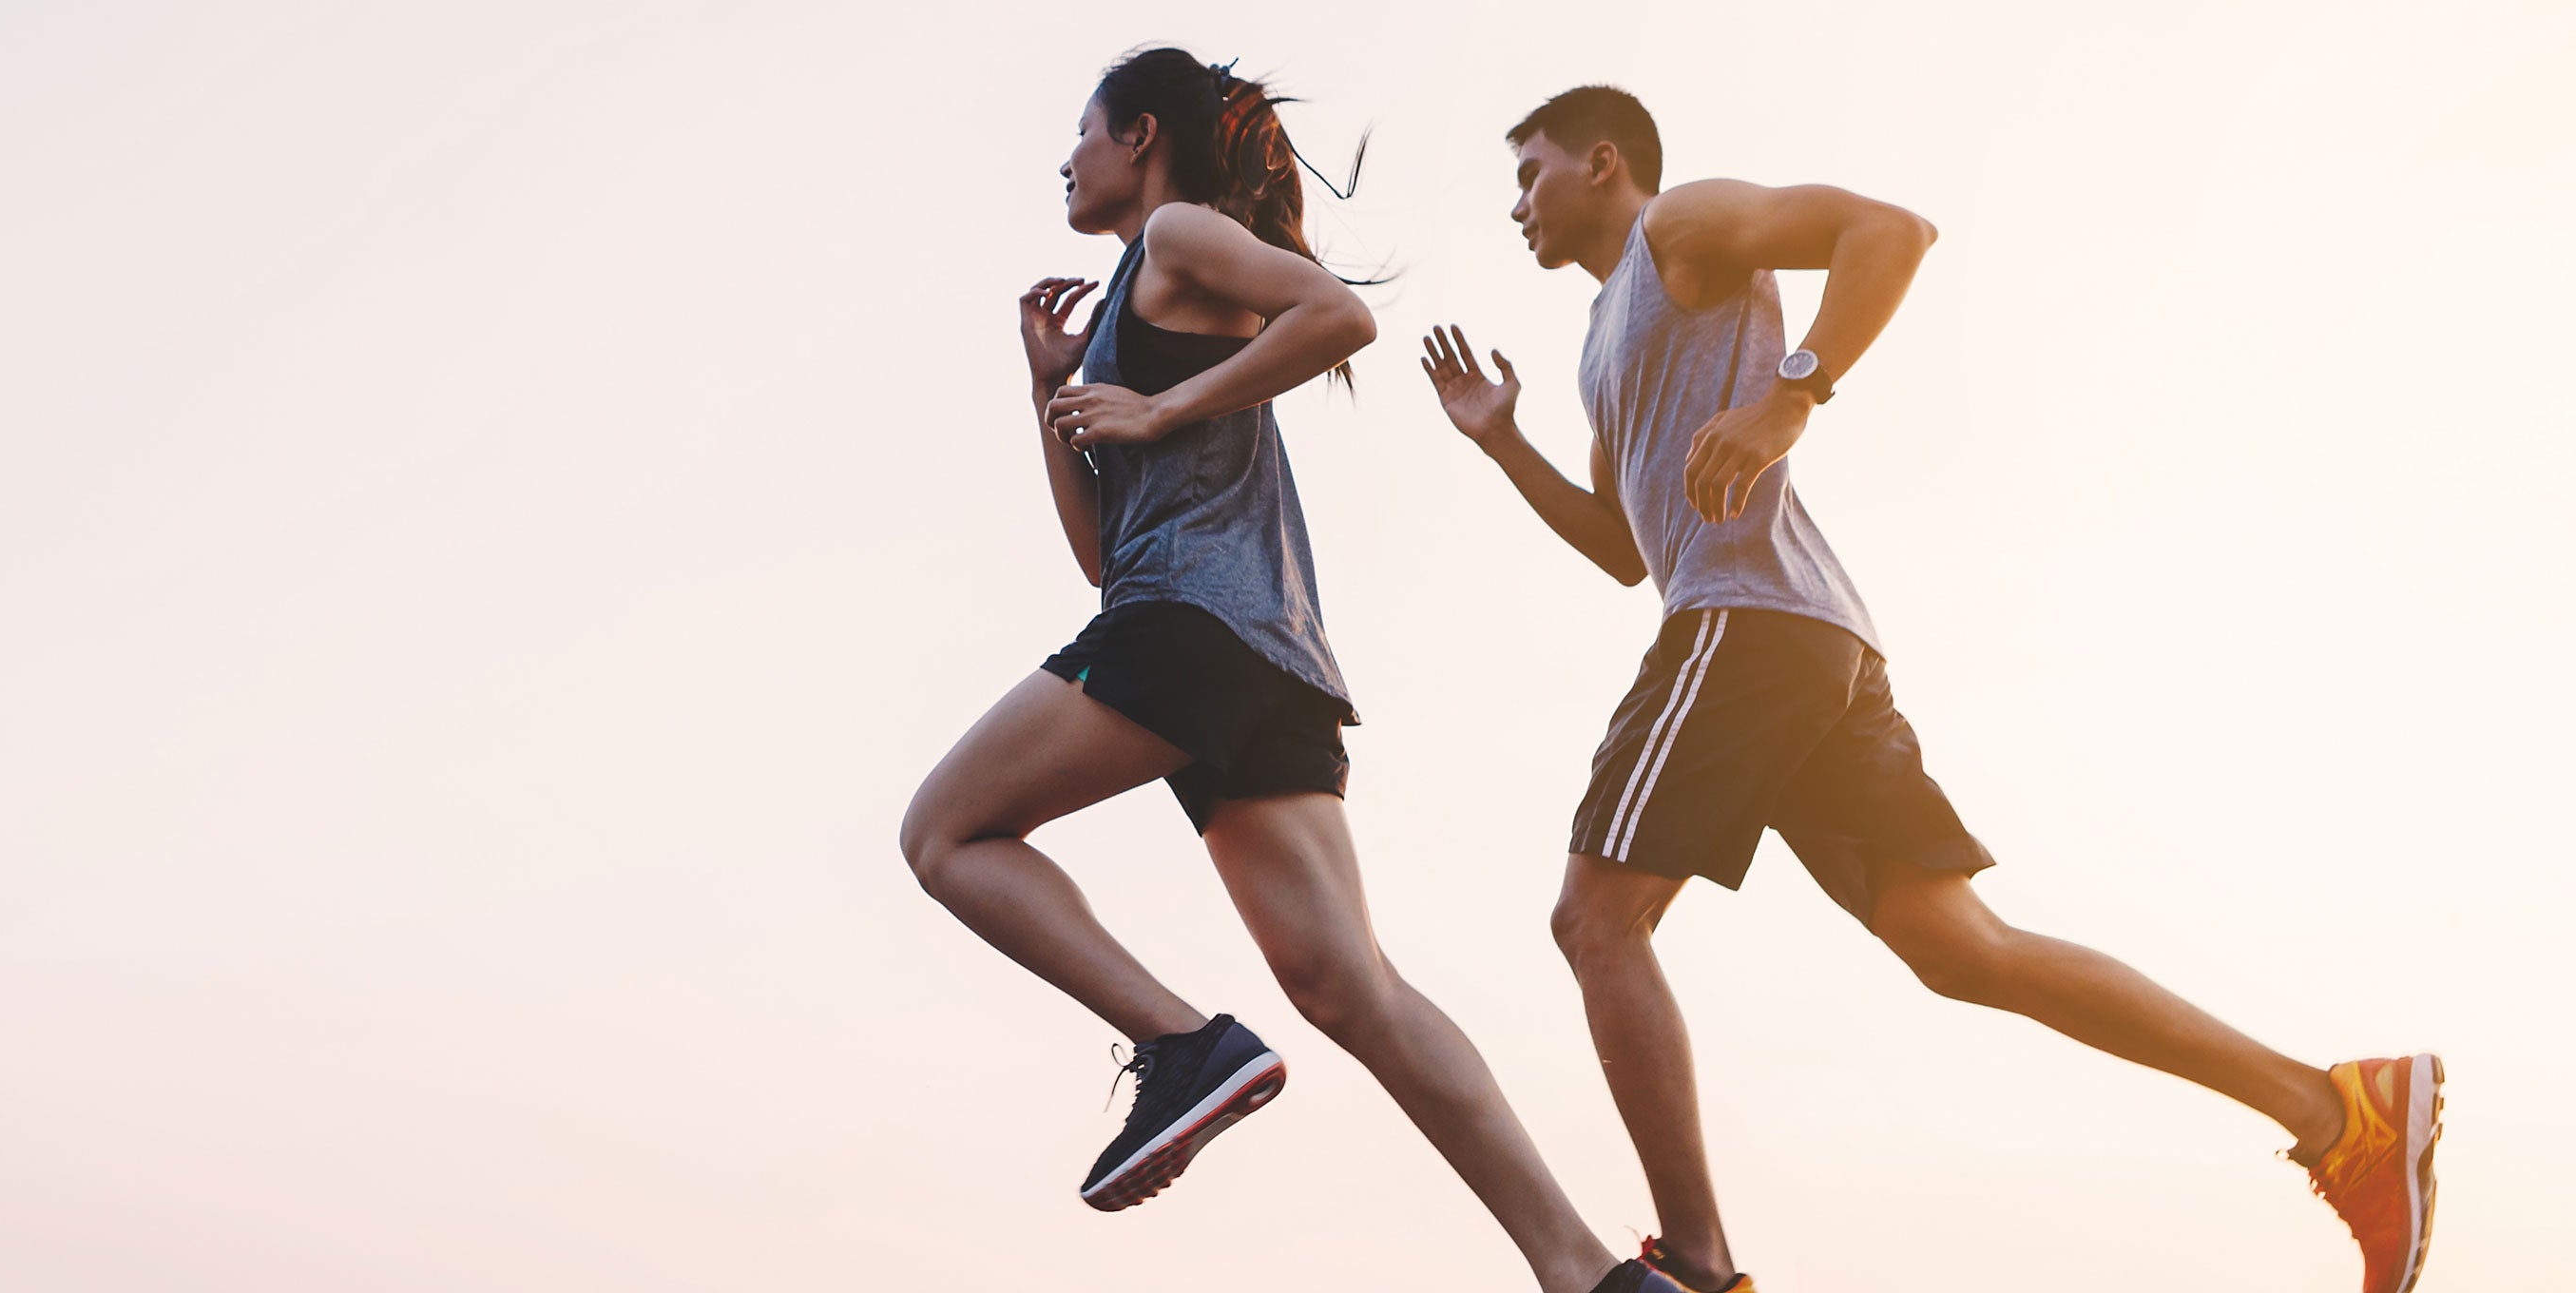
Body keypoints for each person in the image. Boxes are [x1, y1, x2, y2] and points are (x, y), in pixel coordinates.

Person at [1418, 84, 2441, 1293]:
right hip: (1804, 640)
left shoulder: (1678, 230)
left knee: (1596, 918)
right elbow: (1620, 544)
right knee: (1958, 945)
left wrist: (1790, 395)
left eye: (1530, 173)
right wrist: (1502, 441)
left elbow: (1890, 231)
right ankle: (2340, 1113)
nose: (1518, 204)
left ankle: (1698, 1265)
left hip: (1746, 626)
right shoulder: (1602, 342)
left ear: (1601, 164)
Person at [901, 48, 1676, 1293]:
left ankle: (1180, 1044)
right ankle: (1588, 1272)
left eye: (1082, 134)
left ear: (1140, 135)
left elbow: (1338, 314)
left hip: (1198, 635)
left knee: (944, 834)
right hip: (1251, 655)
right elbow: (1110, 559)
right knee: (1350, 986)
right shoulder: (1125, 300)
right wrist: (1053, 392)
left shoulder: (1178, 232)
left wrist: (1155, 411)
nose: (1065, 159)